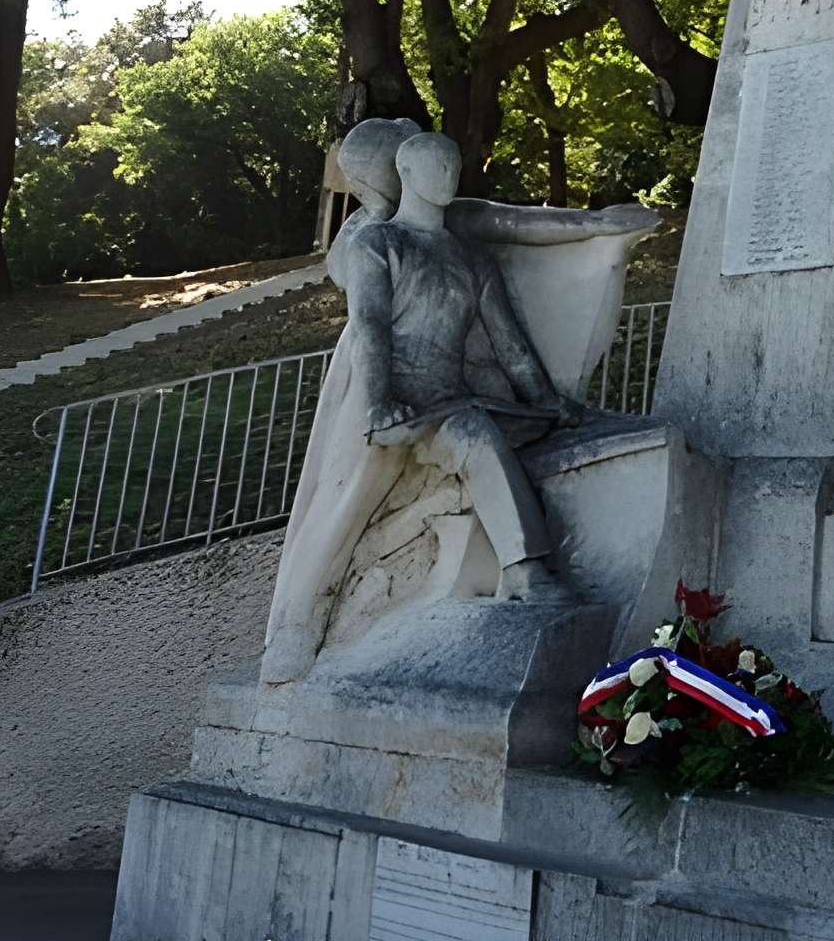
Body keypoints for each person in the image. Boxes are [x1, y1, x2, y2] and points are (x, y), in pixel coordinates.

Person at [260, 123, 652, 684]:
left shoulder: (470, 254)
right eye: (434, 165)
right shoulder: (375, 241)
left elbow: (511, 343)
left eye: (453, 164)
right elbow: (370, 326)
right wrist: (379, 402)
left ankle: (526, 571)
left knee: (477, 434)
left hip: (449, 401)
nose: (448, 175)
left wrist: (548, 401)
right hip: (385, 402)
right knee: (343, 506)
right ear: (403, 170)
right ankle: (297, 628)